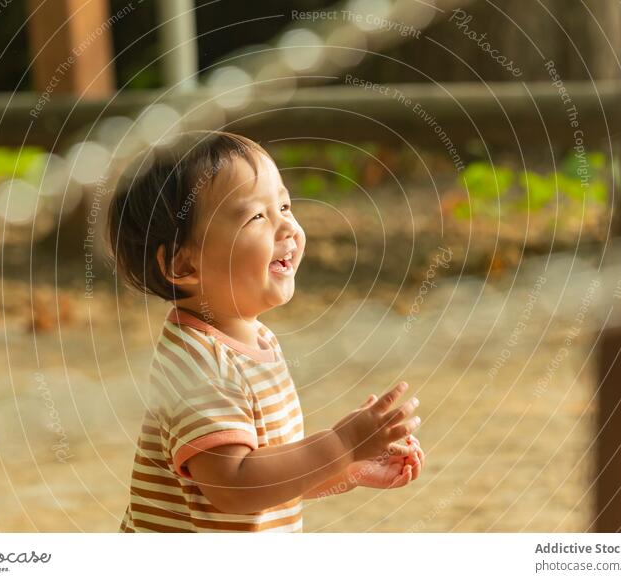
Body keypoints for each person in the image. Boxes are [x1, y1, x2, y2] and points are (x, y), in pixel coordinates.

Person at [108, 130, 424, 532]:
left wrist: (351, 466)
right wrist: (340, 445)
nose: (287, 227)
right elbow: (235, 485)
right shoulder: (199, 365)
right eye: (257, 215)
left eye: (285, 206)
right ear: (184, 265)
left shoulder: (258, 342)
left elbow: (272, 472)